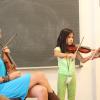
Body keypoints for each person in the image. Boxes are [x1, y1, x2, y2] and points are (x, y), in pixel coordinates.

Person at [54, 28, 95, 100]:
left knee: (72, 97)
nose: (71, 39)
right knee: (60, 97)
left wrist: (92, 55)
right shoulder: (58, 48)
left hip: (72, 76)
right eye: (69, 37)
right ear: (63, 37)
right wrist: (68, 55)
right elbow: (56, 54)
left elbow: (82, 60)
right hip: (62, 76)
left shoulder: (74, 49)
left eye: (72, 37)